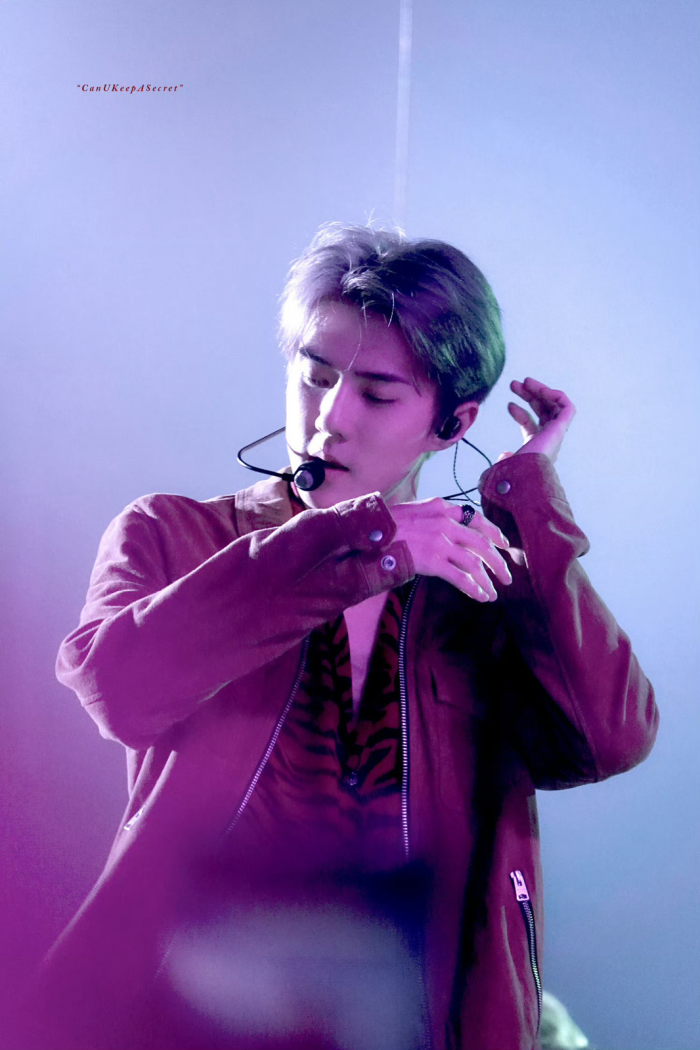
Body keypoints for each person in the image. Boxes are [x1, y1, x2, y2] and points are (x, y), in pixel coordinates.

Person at [32, 224, 657, 1050]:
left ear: (452, 421)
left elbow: (609, 738)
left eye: (376, 394)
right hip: (189, 1010)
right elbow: (117, 688)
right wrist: (361, 543)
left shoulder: (483, 586)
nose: (329, 417)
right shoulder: (173, 534)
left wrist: (527, 499)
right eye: (315, 375)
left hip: (419, 1016)